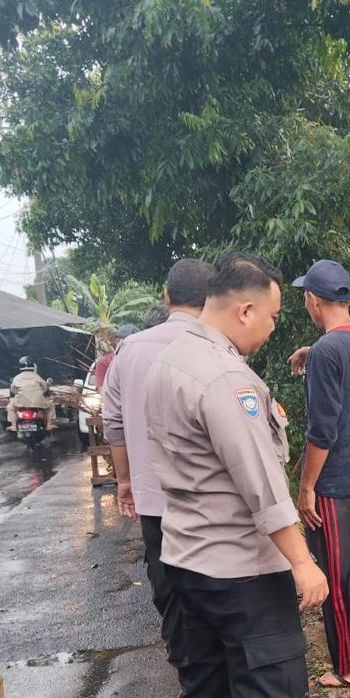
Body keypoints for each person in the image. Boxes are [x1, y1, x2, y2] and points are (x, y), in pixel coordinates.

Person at [144, 251, 338, 698]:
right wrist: (304, 565)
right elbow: (262, 486)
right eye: (274, 316)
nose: (276, 328)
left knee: (207, 679)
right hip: (241, 571)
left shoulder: (168, 360)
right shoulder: (227, 380)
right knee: (270, 693)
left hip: (186, 558)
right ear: (245, 308)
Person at [102, 258, 212, 647]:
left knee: (165, 577)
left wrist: (125, 480)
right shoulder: (219, 345)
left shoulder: (129, 349)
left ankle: (180, 647)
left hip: (154, 497)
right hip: (208, 499)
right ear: (211, 298)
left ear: (166, 297)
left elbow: (113, 423)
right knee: (209, 578)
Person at [287, 260, 350, 689]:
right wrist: (314, 353)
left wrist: (306, 487)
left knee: (339, 578)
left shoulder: (329, 352)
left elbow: (322, 432)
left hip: (336, 484)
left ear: (312, 299)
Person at [6, 357, 58, 431]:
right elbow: (45, 387)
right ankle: (49, 425)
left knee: (10, 407)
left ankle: (13, 426)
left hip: (21, 403)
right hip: (38, 403)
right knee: (51, 406)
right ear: (33, 366)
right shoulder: (37, 377)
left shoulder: (17, 378)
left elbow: (13, 390)